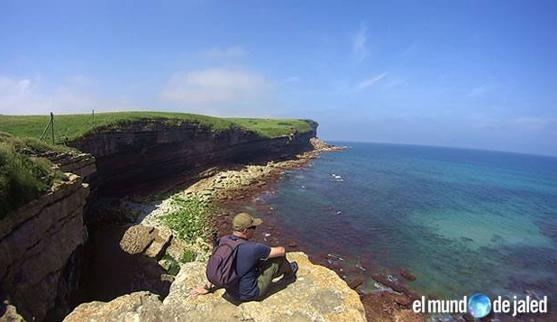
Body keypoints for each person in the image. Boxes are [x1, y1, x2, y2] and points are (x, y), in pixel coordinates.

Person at [190, 212, 298, 301]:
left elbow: (218, 263)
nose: (255, 230)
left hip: (230, 291)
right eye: (253, 227)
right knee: (278, 259)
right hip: (249, 294)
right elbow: (282, 251)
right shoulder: (253, 248)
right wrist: (264, 250)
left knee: (253, 262)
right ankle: (290, 275)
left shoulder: (224, 240)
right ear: (246, 231)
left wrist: (207, 287)